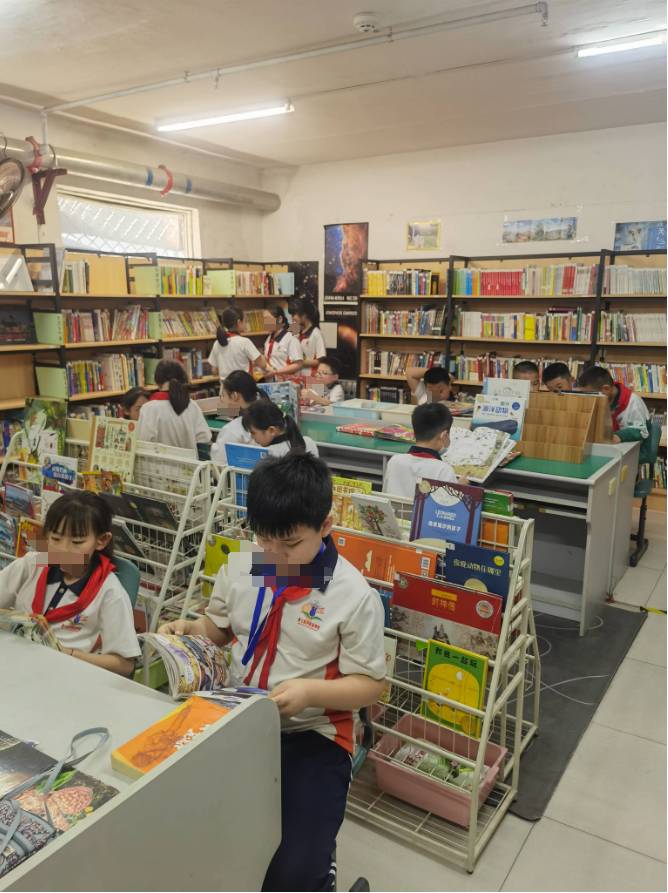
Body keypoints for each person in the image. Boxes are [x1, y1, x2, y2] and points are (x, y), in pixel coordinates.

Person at [158, 453, 386, 891]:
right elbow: (219, 630)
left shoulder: (353, 596)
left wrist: (309, 692)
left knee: (291, 875)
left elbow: (371, 686)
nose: (276, 556)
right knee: (197, 835)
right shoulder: (246, 565)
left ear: (326, 525)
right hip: (236, 720)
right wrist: (189, 629)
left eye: (290, 544)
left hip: (313, 734)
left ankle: (319, 871)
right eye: (265, 540)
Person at [0, 490, 140, 676]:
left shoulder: (110, 592)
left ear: (101, 540)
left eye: (77, 542)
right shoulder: (32, 564)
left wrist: (70, 654)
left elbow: (124, 664)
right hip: (15, 664)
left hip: (65, 675)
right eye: (56, 539)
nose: (63, 550)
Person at [383, 403, 458, 498]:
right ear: (444, 436)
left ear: (414, 433)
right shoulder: (444, 470)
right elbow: (450, 504)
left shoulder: (394, 461)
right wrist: (459, 487)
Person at [137, 360, 212, 452]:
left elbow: (143, 444)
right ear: (182, 379)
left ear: (157, 381)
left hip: (159, 461)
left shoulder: (149, 409)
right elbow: (204, 440)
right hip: (190, 461)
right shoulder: (192, 406)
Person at [577, 366, 649, 442]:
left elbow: (641, 431)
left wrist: (620, 435)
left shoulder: (633, 402)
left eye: (590, 395)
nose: (588, 398)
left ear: (606, 389)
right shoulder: (603, 399)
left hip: (636, 446)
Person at [208, 307, 270, 384]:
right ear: (239, 322)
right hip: (242, 387)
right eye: (245, 321)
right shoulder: (244, 342)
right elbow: (262, 364)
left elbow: (214, 370)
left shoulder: (217, 343)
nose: (245, 324)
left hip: (225, 388)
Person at [243, 400, 319, 457]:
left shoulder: (267, 455)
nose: (251, 437)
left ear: (271, 430)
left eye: (253, 433)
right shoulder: (309, 442)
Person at [264, 305, 303, 377]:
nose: (265, 322)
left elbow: (298, 364)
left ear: (279, 319)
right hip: (271, 380)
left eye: (267, 319)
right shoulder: (269, 338)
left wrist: (276, 372)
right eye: (264, 319)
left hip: (286, 381)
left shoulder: (291, 339)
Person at [291, 300, 326, 370]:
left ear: (304, 315)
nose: (293, 318)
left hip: (310, 375)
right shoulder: (296, 332)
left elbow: (320, 360)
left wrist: (300, 363)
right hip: (296, 374)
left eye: (294, 315)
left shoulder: (316, 333)